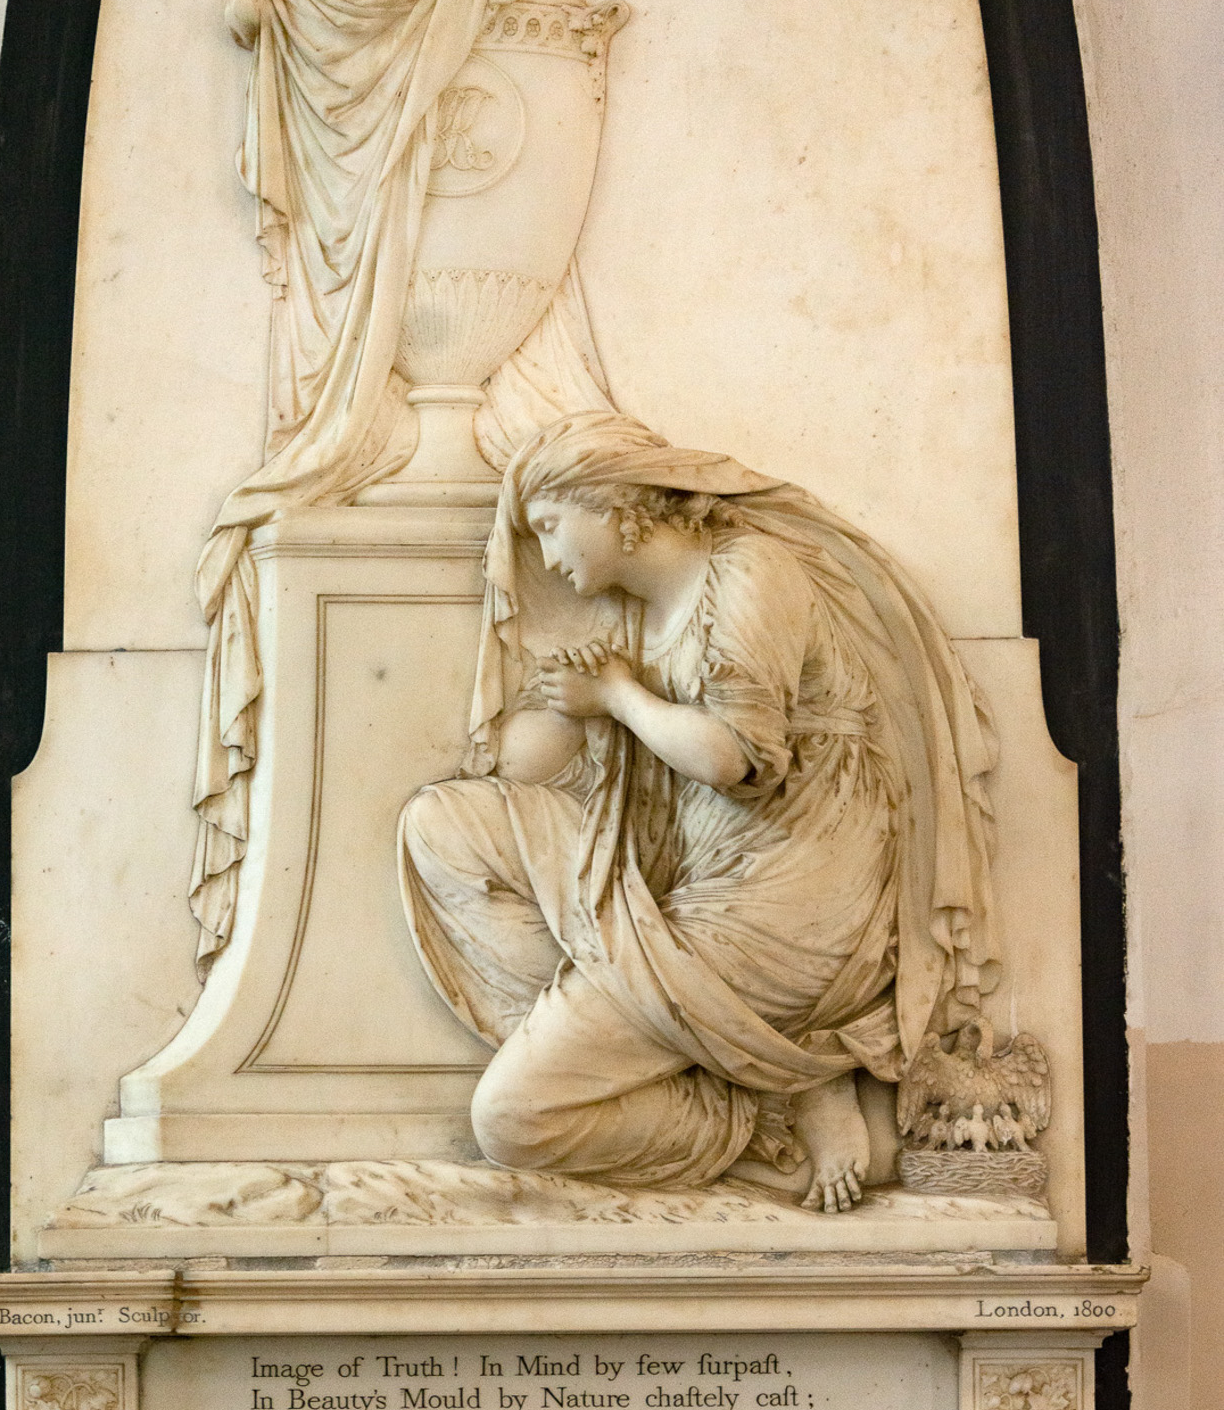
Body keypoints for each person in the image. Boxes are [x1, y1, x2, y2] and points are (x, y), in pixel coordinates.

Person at [398, 412, 999, 1210]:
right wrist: (576, 702)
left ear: (615, 505)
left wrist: (618, 696)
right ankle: (750, 1062)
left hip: (791, 903)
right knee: (443, 825)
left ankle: (763, 1116)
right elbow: (532, 768)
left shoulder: (751, 570)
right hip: (696, 876)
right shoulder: (640, 612)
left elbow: (729, 758)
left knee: (512, 1120)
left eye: (550, 526)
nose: (547, 557)